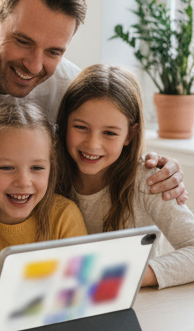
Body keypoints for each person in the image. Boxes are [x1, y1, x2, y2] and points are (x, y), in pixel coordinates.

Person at [0, 0, 186, 202]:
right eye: (23, 41)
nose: (34, 65)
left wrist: (158, 168)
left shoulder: (70, 89)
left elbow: (109, 148)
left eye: (53, 52)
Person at [55, 65, 194, 289]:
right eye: (81, 127)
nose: (92, 144)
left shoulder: (148, 180)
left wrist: (132, 274)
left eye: (109, 133)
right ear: (64, 124)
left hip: (139, 305)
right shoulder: (48, 175)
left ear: (130, 134)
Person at [0, 101, 86, 280]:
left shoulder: (64, 216)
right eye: (6, 168)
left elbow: (80, 284)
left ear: (51, 167)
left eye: (37, 168)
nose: (23, 182)